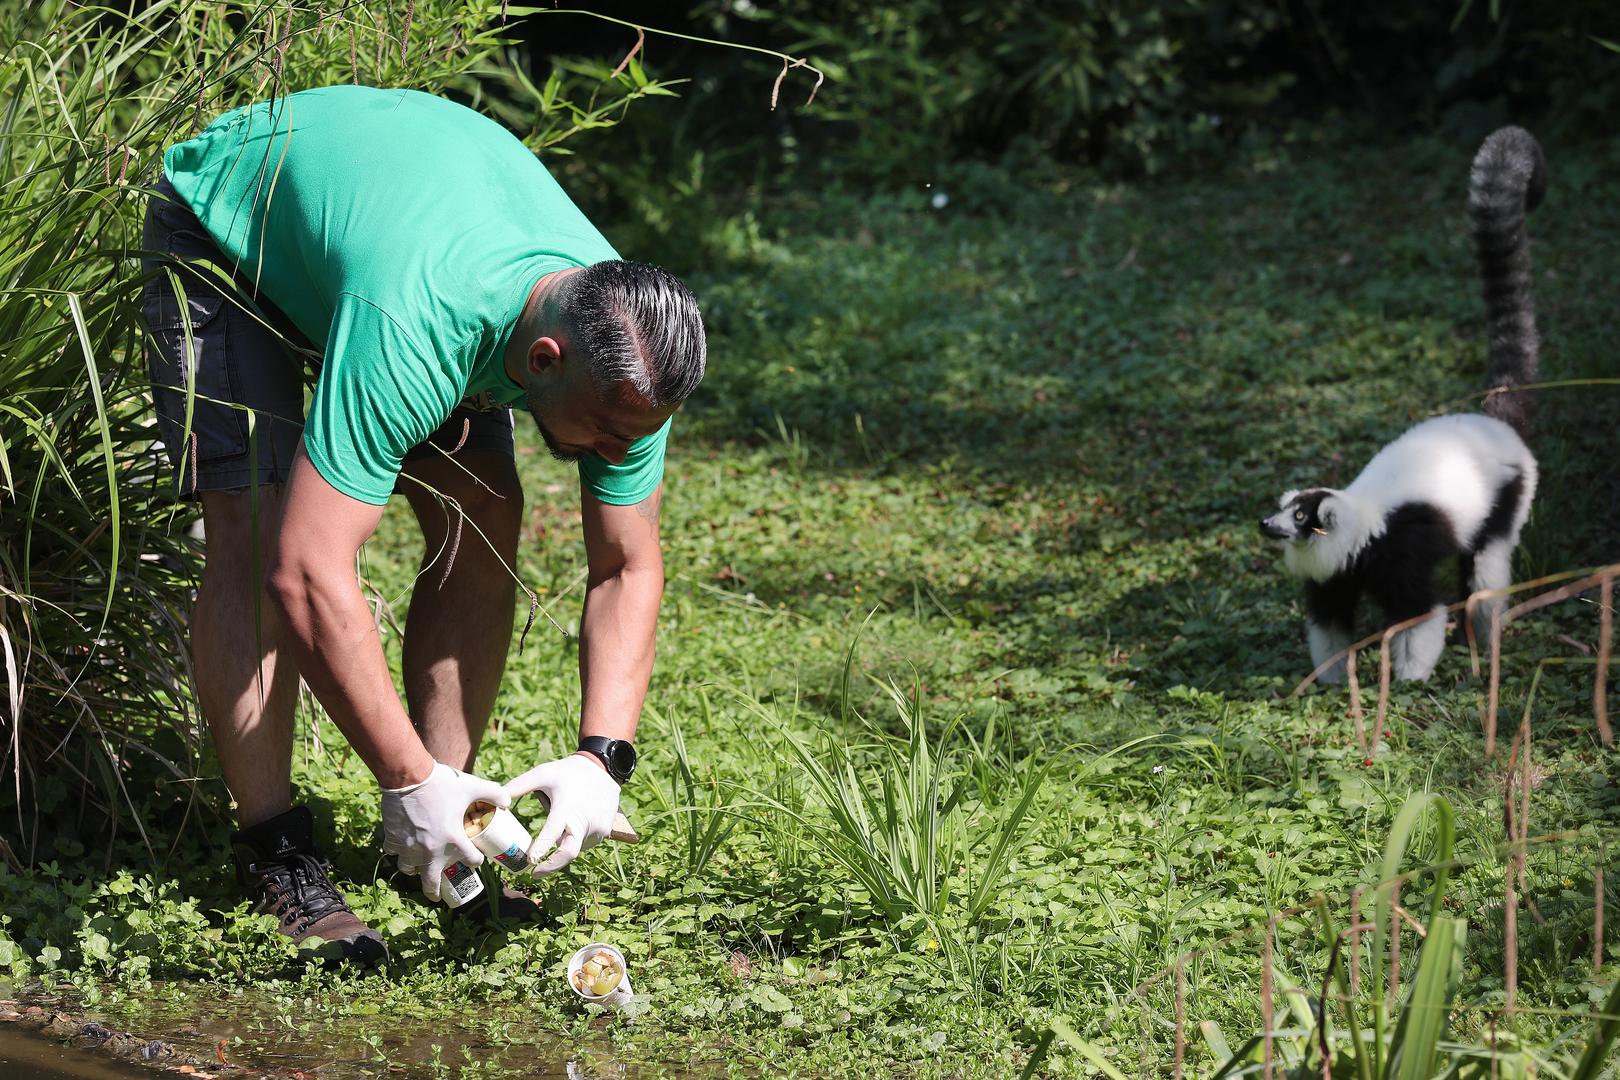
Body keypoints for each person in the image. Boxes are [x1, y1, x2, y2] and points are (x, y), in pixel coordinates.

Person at [140, 84, 705, 963]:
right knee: (255, 528)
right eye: (604, 430)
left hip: (392, 240)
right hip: (231, 224)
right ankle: (278, 853)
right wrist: (404, 781)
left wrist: (604, 760)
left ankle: (453, 830)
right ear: (542, 360)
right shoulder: (419, 325)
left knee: (484, 504)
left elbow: (626, 567)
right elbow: (307, 571)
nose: (615, 451)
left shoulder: (632, 364)